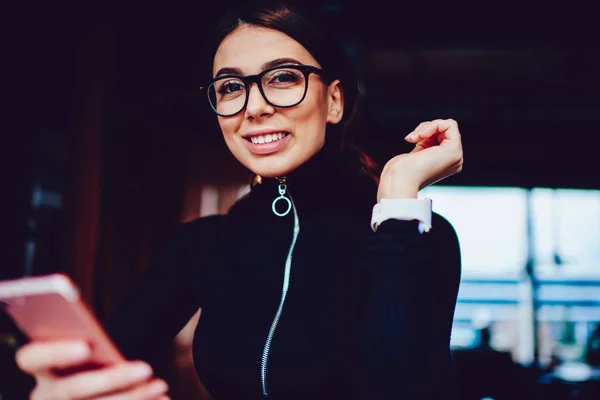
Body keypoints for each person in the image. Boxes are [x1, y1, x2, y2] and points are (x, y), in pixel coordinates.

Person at [14, 2, 464, 399]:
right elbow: (107, 372)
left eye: (283, 77)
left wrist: (399, 199)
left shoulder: (414, 237)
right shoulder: (201, 245)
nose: (253, 107)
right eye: (231, 87)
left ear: (334, 101)